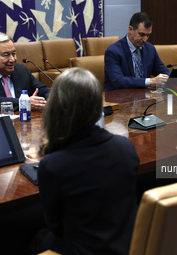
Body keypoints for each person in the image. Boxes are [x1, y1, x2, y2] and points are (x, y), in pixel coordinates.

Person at [27, 68, 139, 255]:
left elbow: (56, 227)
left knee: (34, 239)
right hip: (125, 246)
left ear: (57, 108)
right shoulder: (125, 148)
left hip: (82, 249)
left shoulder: (53, 165)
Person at [0, 31, 50, 111]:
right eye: (6, 55)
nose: (12, 59)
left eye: (13, 54)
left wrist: (55, 97)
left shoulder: (20, 70)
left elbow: (42, 90)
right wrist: (23, 103)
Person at [104, 12, 170, 91]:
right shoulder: (113, 51)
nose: (145, 40)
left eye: (148, 35)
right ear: (131, 29)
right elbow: (119, 81)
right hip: (118, 98)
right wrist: (150, 81)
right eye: (142, 34)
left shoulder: (150, 49)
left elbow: (163, 71)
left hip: (143, 97)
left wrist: (170, 78)